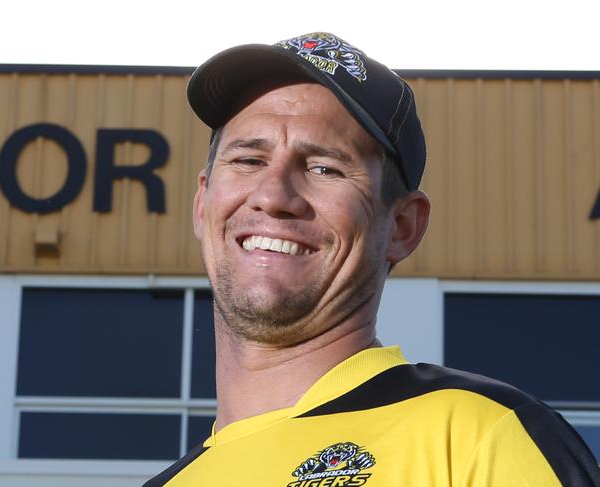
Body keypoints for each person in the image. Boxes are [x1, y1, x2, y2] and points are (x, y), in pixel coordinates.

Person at [144, 32, 600, 486]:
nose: (272, 195)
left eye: (325, 168)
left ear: (402, 227)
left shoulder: (478, 436)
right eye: (248, 160)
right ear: (203, 202)